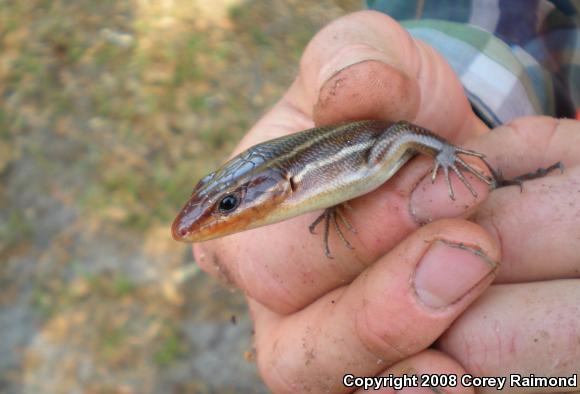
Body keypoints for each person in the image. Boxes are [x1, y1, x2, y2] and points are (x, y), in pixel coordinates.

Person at [192, 2, 580, 393]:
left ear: (284, 181)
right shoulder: (323, 185)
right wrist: (471, 103)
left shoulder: (358, 162)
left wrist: (446, 152)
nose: (219, 217)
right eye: (226, 203)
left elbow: (402, 133)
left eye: (228, 204)